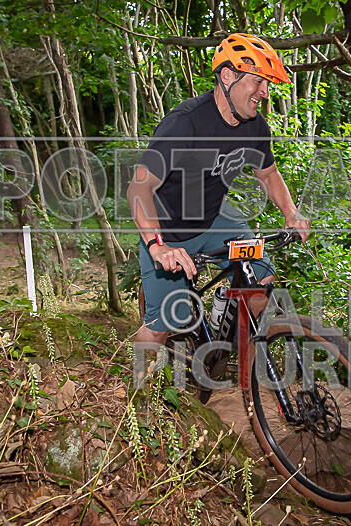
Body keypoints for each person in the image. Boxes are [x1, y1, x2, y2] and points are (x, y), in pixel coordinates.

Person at [127, 33, 311, 349]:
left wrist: (290, 211)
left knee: (261, 285)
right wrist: (157, 246)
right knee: (161, 328)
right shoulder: (186, 123)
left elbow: (269, 174)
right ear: (227, 76)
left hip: (214, 221)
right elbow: (138, 189)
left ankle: (232, 355)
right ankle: (138, 395)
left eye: (267, 84)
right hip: (168, 231)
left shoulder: (255, 126)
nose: (264, 93)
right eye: (258, 81)